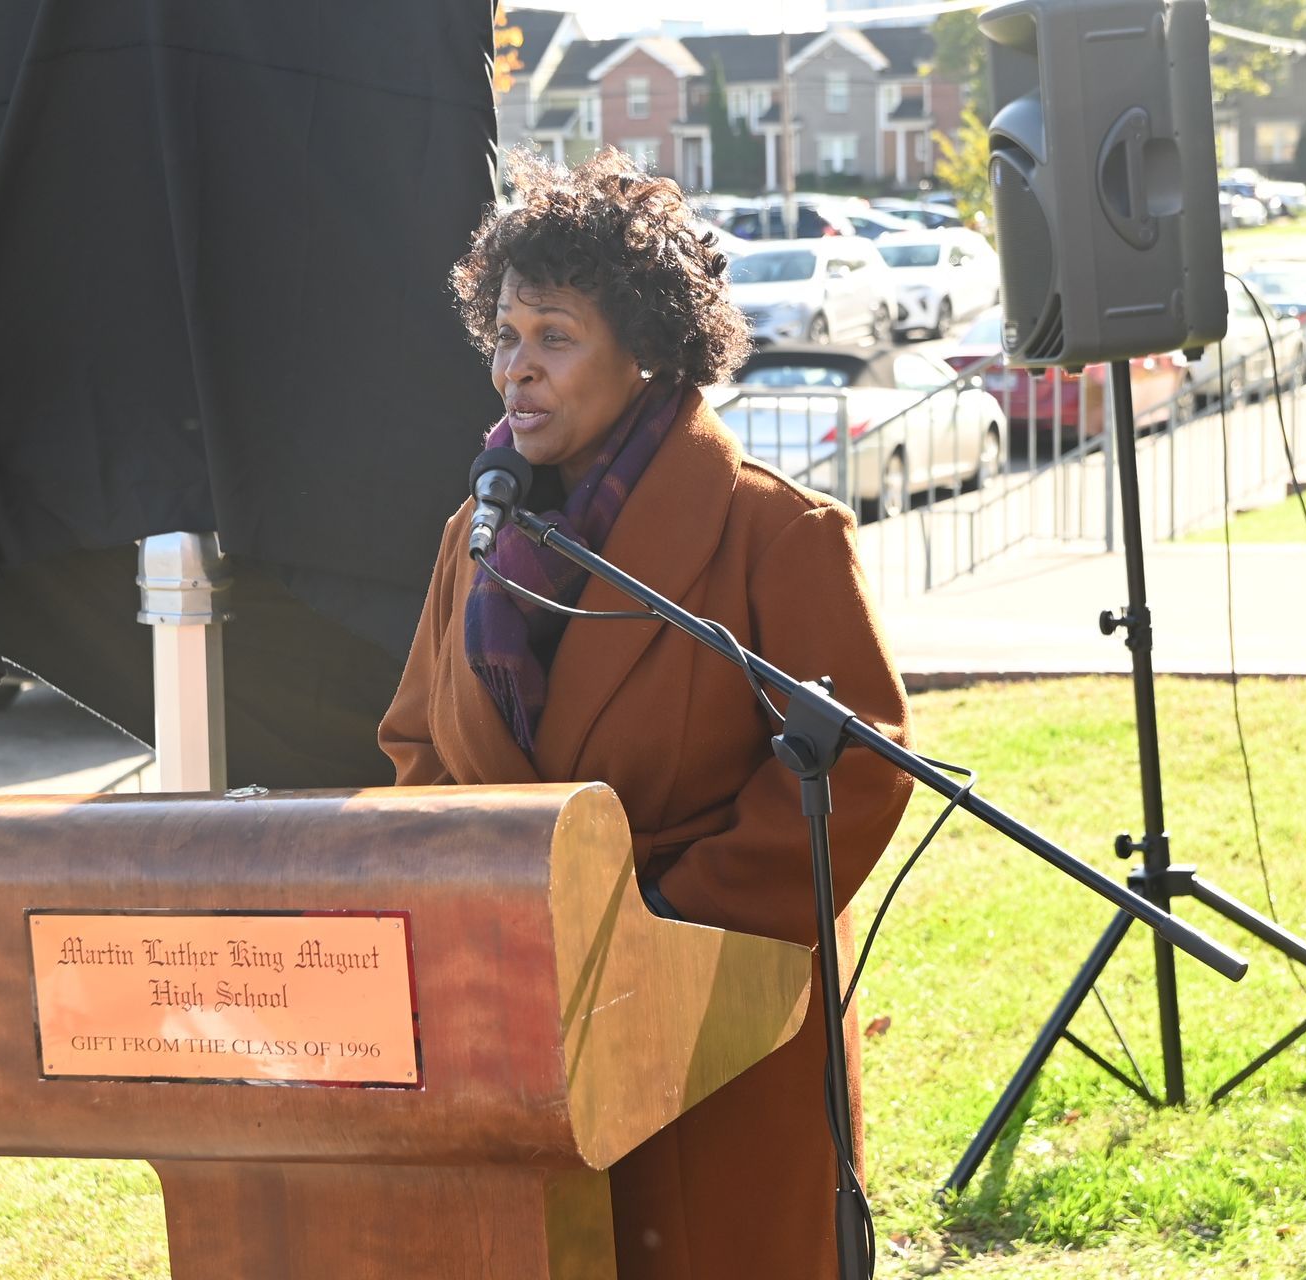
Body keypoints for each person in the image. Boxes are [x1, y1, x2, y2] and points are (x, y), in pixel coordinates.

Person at [379, 148, 916, 1280]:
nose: (517, 369)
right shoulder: (473, 536)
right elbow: (418, 743)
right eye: (504, 336)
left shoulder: (778, 531)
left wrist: (657, 929)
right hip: (520, 1024)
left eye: (555, 336)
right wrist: (481, 910)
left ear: (649, 351)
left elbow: (859, 764)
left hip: (716, 1028)